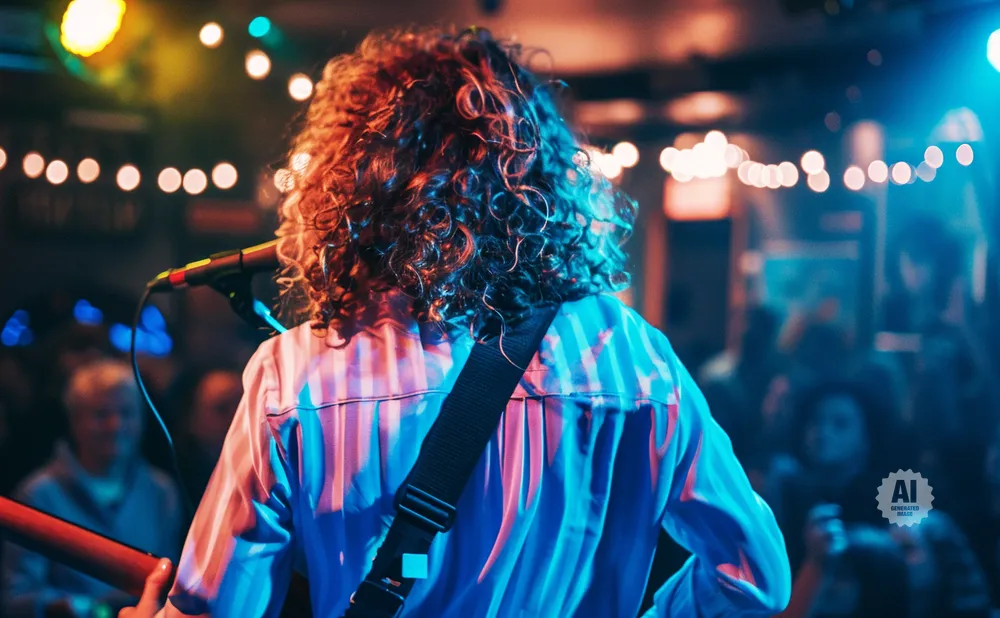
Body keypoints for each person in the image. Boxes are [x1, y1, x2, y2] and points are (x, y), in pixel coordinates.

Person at [121, 26, 791, 618]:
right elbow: (755, 580)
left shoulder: (295, 378)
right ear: (543, 181)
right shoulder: (635, 360)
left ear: (354, 186)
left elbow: (219, 607)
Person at [2, 359, 182, 618]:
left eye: (126, 413)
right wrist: (86, 609)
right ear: (74, 421)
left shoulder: (162, 491)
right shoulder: (38, 493)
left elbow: (173, 584)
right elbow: (17, 598)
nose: (115, 425)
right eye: (101, 414)